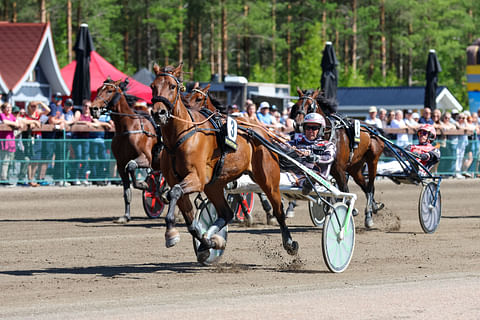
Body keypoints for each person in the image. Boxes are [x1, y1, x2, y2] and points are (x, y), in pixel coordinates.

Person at [288, 113, 336, 195]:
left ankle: (307, 183)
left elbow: (329, 157)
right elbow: (282, 147)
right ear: (304, 129)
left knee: (309, 179)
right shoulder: (295, 143)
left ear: (320, 130)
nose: (310, 131)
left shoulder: (327, 145)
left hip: (318, 179)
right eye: (308, 128)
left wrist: (313, 157)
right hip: (294, 176)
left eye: (314, 128)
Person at [72, 99, 97, 185]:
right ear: (83, 107)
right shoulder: (79, 113)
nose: (87, 108)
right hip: (77, 138)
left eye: (89, 107)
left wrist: (91, 124)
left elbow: (97, 124)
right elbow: (75, 121)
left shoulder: (91, 116)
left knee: (85, 158)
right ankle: (75, 178)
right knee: (78, 157)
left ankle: (83, 178)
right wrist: (86, 123)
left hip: (86, 139)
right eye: (85, 106)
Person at [0, 102, 19, 185]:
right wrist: (14, 124)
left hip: (11, 140)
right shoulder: (2, 115)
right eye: (7, 107)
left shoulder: (11, 116)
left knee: (9, 161)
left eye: (10, 107)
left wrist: (16, 123)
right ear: (3, 109)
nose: (9, 109)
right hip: (4, 140)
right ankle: (3, 179)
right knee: (4, 160)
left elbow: (18, 123)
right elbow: (5, 121)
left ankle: (6, 177)